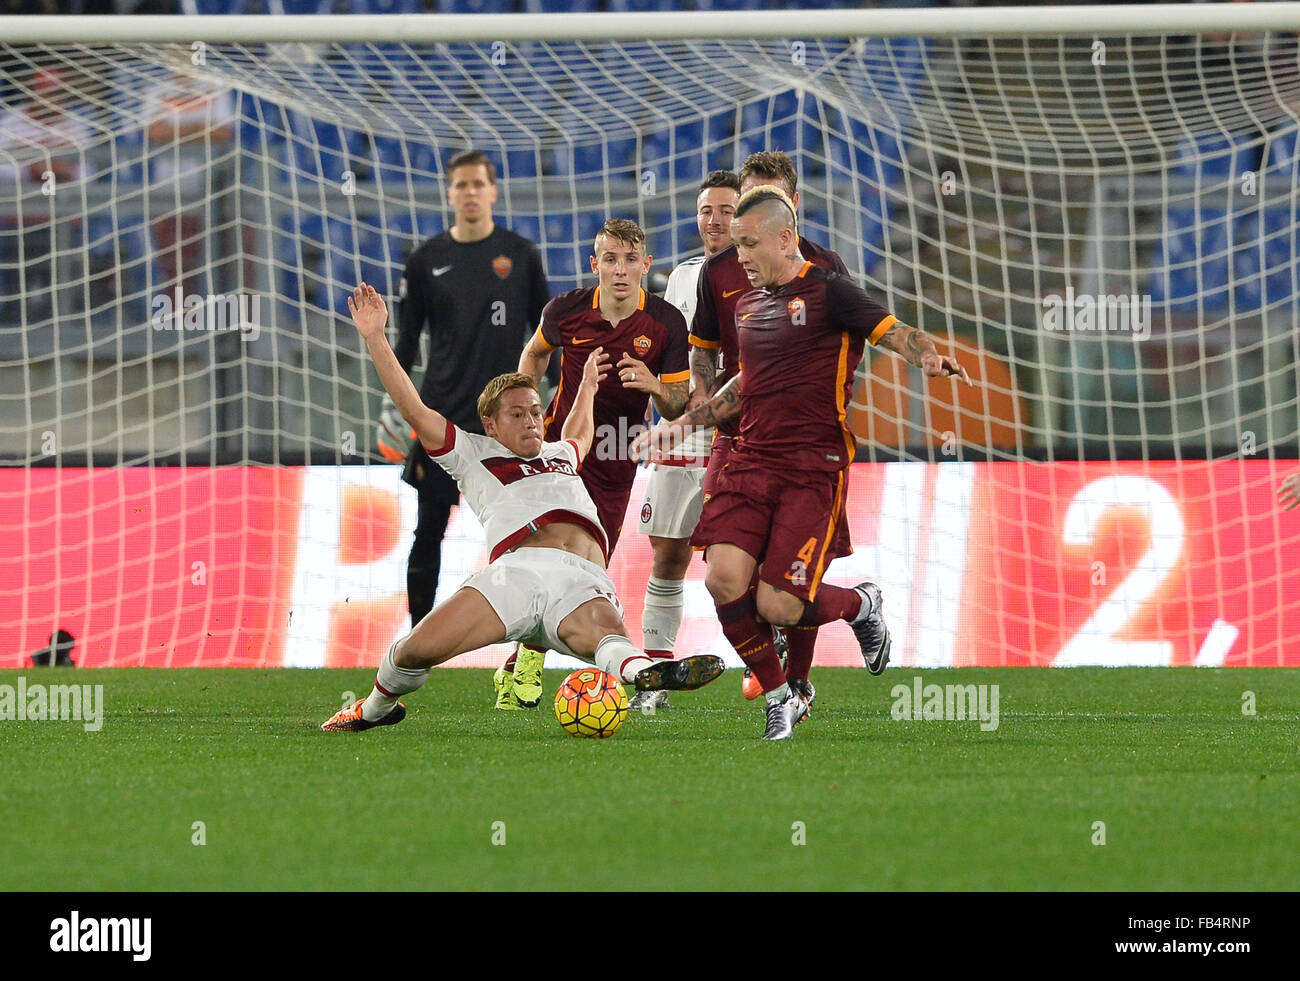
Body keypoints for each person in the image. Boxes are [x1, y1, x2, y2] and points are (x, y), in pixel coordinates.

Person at [634, 186, 971, 740]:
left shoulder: (831, 292)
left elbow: (893, 331)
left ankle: (861, 604)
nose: (739, 256)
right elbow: (742, 387)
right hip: (749, 461)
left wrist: (927, 355)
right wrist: (681, 425)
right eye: (736, 246)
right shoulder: (747, 305)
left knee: (780, 607)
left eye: (748, 244)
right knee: (722, 580)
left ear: (785, 238)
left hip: (812, 470)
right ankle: (778, 696)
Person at [322, 284, 723, 733]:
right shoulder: (472, 454)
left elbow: (578, 429)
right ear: (491, 424)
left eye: (535, 410)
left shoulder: (562, 454)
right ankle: (375, 709)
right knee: (413, 652)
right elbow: (413, 408)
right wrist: (376, 336)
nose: (532, 420)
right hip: (516, 575)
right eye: (517, 414)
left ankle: (644, 674)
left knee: (609, 638)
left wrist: (587, 385)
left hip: (582, 578)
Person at [497, 218, 691, 711]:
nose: (621, 270)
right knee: (549, 557)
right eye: (610, 259)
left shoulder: (666, 322)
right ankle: (527, 668)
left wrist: (653, 385)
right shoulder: (565, 311)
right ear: (595, 265)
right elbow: (535, 354)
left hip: (617, 458)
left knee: (590, 567)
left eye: (631, 260)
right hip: (562, 452)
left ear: (646, 265)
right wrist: (525, 410)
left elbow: (678, 404)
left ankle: (538, 662)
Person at [687, 150, 851, 702]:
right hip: (735, 437)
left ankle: (794, 682)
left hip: (804, 442)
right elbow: (703, 350)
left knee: (788, 578)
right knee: (724, 565)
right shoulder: (718, 271)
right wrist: (706, 399)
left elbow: (854, 343)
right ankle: (775, 669)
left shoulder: (826, 268)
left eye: (769, 199)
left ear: (793, 206)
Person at [378, 149, 551, 656]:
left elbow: (544, 333)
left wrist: (557, 392)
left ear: (493, 191)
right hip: (443, 419)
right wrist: (391, 407)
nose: (470, 192)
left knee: (527, 535)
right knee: (429, 527)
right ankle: (416, 641)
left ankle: (526, 656)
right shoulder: (426, 259)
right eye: (461, 185)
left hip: (508, 422)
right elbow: (407, 344)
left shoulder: (520, 254)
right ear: (450, 193)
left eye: (479, 183)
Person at [635, 170, 741, 668]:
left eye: (726, 210)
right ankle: (657, 671)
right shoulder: (681, 276)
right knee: (669, 555)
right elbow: (668, 361)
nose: (714, 220)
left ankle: (777, 669)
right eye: (706, 210)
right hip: (684, 436)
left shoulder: (762, 274)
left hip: (742, 435)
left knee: (741, 561)